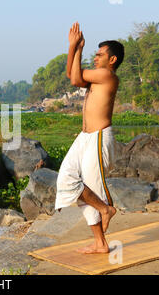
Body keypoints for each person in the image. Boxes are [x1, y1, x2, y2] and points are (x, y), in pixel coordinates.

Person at [54, 22, 125, 254]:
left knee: (93, 186)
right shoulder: (97, 76)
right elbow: (71, 74)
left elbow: (74, 79)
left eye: (100, 54)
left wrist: (75, 45)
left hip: (98, 137)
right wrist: (74, 49)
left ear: (112, 60)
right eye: (94, 54)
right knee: (66, 177)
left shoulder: (107, 75)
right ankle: (104, 211)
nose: (96, 58)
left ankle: (101, 241)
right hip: (84, 137)